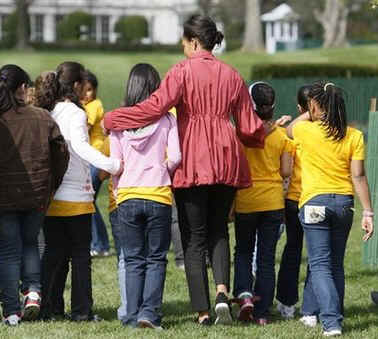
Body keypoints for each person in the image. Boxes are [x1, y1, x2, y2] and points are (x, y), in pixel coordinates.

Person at [103, 14, 265, 325]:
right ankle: (221, 293)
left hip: (193, 155)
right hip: (226, 154)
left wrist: (115, 119)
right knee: (219, 230)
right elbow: (248, 126)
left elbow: (155, 108)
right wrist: (263, 135)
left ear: (193, 42)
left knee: (194, 237)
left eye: (184, 43)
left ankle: (204, 312)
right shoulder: (232, 74)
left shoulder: (182, 70)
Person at [286, 81, 374, 336]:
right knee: (335, 264)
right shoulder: (354, 135)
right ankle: (336, 314)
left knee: (320, 265)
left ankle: (332, 322)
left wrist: (311, 109)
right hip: (344, 205)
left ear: (315, 107)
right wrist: (368, 212)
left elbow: (290, 129)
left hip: (314, 202)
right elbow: (358, 176)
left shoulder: (306, 131)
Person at [36, 63, 121, 322]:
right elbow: (81, 148)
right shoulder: (75, 112)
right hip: (76, 196)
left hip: (52, 197)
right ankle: (82, 311)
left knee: (54, 256)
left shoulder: (46, 111)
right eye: (83, 84)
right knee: (80, 257)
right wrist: (113, 165)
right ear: (74, 86)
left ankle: (51, 308)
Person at [110, 63, 181, 329]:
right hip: (158, 195)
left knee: (133, 259)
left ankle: (130, 315)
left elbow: (116, 163)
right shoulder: (167, 120)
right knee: (155, 258)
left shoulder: (118, 121)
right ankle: (148, 314)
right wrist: (162, 169)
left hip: (127, 195)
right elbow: (175, 157)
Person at [0, 64, 69, 326]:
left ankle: (11, 311)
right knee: (30, 243)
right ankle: (32, 291)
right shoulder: (42, 117)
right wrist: (52, 184)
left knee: (8, 252)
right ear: (22, 88)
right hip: (37, 194)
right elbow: (61, 153)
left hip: (5, 197)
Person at [232, 82, 292, 325]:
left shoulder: (241, 134)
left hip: (246, 199)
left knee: (244, 251)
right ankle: (262, 312)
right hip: (273, 201)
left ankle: (245, 295)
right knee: (266, 258)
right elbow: (286, 170)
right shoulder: (281, 135)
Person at [276, 85, 312, 319]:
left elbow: (289, 130)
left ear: (300, 108)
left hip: (295, 198)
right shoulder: (327, 131)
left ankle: (287, 303)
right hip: (316, 197)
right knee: (318, 255)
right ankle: (313, 305)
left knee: (292, 249)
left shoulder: (297, 131)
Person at [97, 137, 127, 322]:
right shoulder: (161, 127)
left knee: (125, 257)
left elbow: (102, 174)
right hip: (154, 197)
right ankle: (149, 308)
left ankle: (128, 308)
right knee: (152, 259)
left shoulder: (115, 135)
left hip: (120, 202)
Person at [81, 71, 110, 257]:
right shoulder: (86, 106)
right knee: (90, 202)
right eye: (83, 90)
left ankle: (99, 244)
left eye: (90, 90)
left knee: (88, 202)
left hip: (95, 157)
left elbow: (86, 128)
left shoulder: (94, 105)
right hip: (91, 158)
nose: (86, 94)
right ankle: (102, 243)